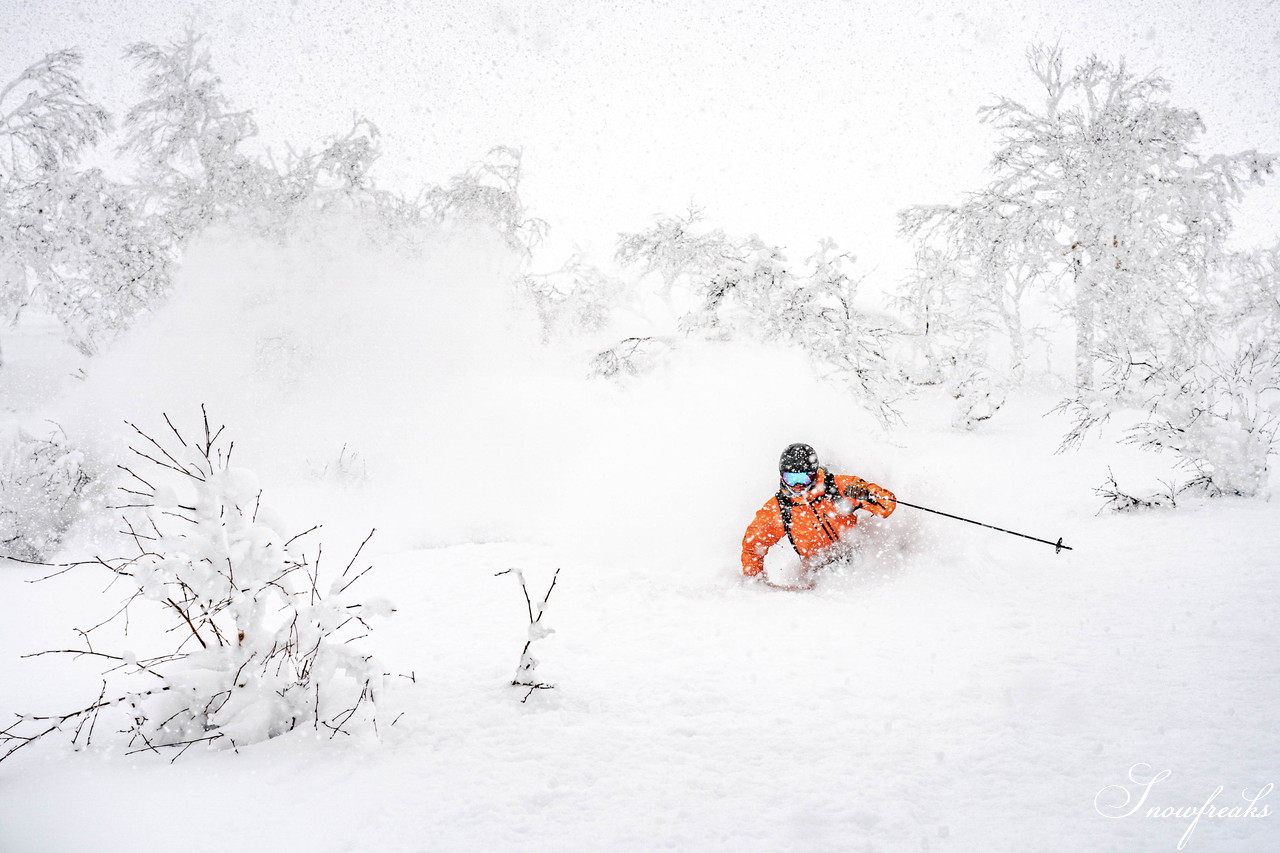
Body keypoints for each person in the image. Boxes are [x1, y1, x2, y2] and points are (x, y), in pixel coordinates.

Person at [741, 443, 896, 580]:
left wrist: (866, 494)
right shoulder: (780, 508)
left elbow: (887, 506)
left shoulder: (837, 487)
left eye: (803, 479)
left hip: (858, 558)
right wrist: (755, 581)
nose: (798, 486)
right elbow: (753, 544)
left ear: (814, 474)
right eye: (791, 479)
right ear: (782, 477)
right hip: (818, 571)